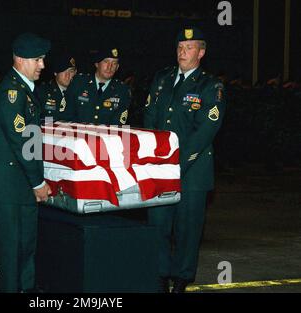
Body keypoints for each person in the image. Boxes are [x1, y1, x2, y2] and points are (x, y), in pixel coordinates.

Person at [143, 27, 226, 293]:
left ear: (201, 52)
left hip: (192, 170)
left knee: (188, 230)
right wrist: (152, 155)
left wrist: (176, 163)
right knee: (158, 224)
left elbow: (205, 131)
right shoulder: (162, 78)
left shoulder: (211, 86)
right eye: (180, 46)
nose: (182, 52)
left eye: (189, 47)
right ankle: (159, 274)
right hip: (159, 167)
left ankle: (181, 278)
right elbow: (150, 117)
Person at [0, 32, 52, 293]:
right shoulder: (12, 93)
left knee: (25, 250)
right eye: (38, 60)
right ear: (20, 59)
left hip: (19, 186)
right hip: (6, 188)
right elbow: (22, 143)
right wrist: (39, 181)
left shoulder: (26, 92)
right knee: (10, 254)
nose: (42, 65)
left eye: (43, 59)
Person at [65, 47, 131, 125]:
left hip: (106, 136)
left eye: (114, 63)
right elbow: (66, 115)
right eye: (106, 62)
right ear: (97, 64)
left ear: (117, 67)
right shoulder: (78, 83)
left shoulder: (122, 90)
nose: (110, 67)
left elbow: (119, 124)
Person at [37, 53, 77, 121]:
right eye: (63, 71)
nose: (67, 76)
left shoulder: (78, 92)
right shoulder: (42, 92)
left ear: (75, 72)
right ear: (55, 73)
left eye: (71, 71)